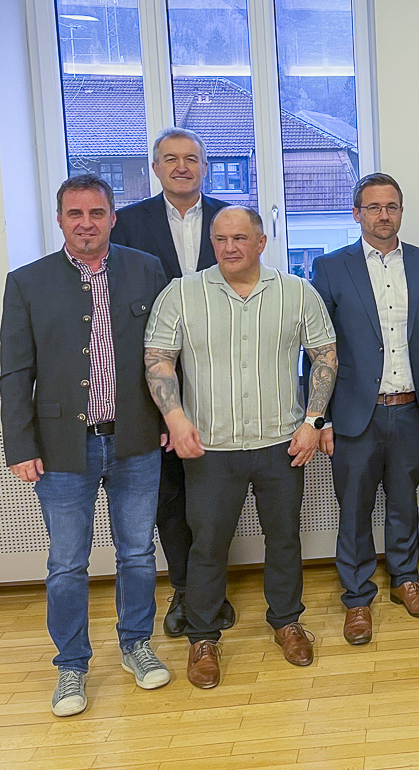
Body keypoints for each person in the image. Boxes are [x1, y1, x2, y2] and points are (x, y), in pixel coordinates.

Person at [144, 205, 338, 688]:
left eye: (240, 238)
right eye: (221, 239)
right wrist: (175, 418)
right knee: (208, 544)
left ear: (261, 242)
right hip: (211, 448)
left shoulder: (297, 292)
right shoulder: (182, 293)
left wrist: (313, 421)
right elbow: (158, 359)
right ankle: (203, 637)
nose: (229, 248)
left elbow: (325, 356)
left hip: (281, 443)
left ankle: (287, 622)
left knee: (284, 538)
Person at [0, 174, 171, 716]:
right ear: (59, 220)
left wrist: (171, 415)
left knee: (138, 554)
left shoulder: (146, 270)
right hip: (60, 448)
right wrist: (19, 445)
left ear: (113, 217)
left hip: (136, 438)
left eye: (97, 213)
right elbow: (15, 373)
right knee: (67, 564)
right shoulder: (27, 282)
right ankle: (71, 666)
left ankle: (136, 645)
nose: (86, 223)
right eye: (75, 214)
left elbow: (169, 350)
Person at [311, 173, 419, 644]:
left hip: (413, 408)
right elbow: (318, 349)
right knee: (354, 508)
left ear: (401, 212)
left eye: (391, 206)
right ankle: (357, 597)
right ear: (357, 213)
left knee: (404, 500)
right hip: (355, 411)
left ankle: (405, 580)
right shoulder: (331, 268)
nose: (383, 215)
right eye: (373, 207)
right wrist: (321, 417)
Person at [111, 127, 233, 637]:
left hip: (219, 376)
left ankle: (213, 588)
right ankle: (185, 589)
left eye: (191, 158)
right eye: (170, 159)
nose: (181, 167)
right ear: (155, 168)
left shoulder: (230, 220)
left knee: (215, 493)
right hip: (155, 381)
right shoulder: (127, 224)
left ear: (204, 166)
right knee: (170, 495)